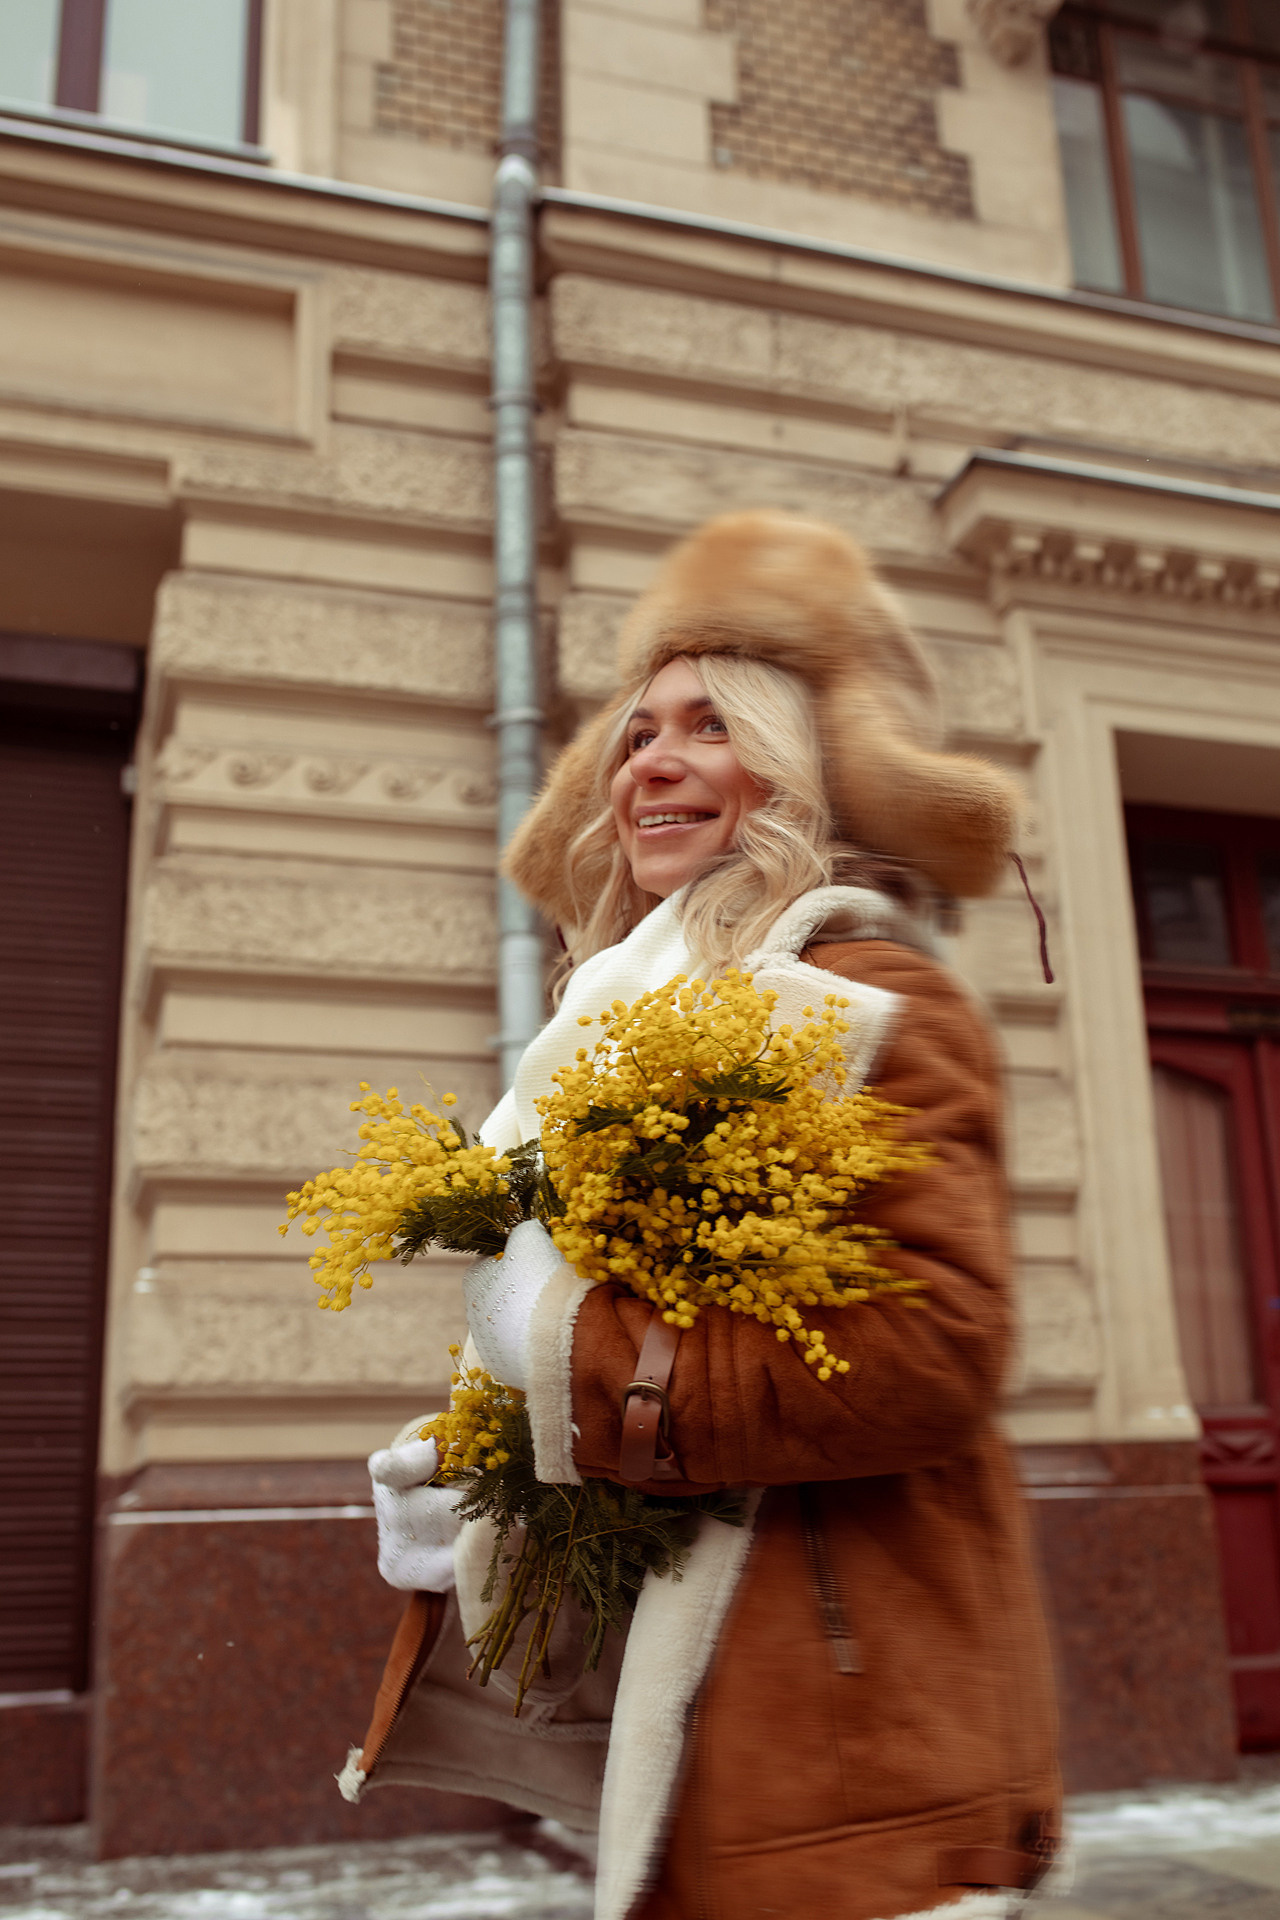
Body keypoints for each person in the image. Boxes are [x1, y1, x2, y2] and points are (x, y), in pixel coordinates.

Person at [348, 510, 1061, 1920]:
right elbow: (647, 1323)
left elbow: (928, 1357)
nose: (651, 762)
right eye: (636, 731)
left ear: (796, 775)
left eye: (709, 727)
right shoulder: (623, 1014)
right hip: (710, 1685)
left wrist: (565, 1363)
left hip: (842, 1718)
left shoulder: (864, 1003)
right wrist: (502, 1471)